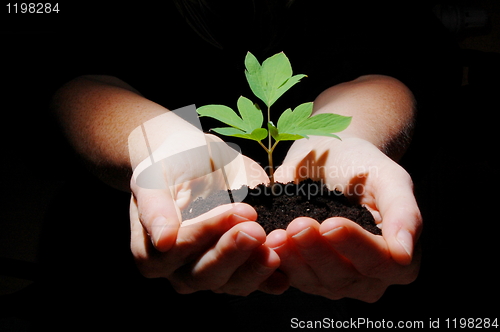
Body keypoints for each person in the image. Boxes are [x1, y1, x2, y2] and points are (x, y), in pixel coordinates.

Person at [42, 0, 460, 328]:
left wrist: (348, 138)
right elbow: (74, 68)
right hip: (125, 274)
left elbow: (394, 53)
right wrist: (165, 144)